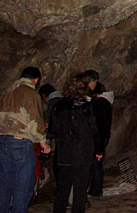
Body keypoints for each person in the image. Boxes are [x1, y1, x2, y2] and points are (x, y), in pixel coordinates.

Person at [0, 66, 51, 213]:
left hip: (3, 141)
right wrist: (43, 140)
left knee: (4, 185)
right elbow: (34, 120)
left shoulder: (7, 94)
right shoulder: (30, 94)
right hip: (20, 142)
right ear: (35, 80)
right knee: (23, 186)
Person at [49, 73, 100, 213]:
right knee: (80, 191)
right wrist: (98, 148)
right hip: (83, 153)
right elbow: (93, 129)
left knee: (62, 191)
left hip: (64, 152)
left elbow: (53, 129)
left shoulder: (58, 106)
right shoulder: (86, 106)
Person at [88, 82, 114, 197]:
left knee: (95, 163)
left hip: (99, 136)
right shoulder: (107, 103)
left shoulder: (98, 104)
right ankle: (96, 188)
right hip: (104, 135)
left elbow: (97, 123)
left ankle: (95, 189)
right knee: (97, 163)